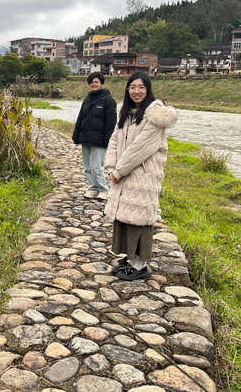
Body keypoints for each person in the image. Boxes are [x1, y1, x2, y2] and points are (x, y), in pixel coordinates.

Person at [104, 72, 177, 281]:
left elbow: (139, 149)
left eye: (141, 87)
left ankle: (140, 265)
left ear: (148, 89)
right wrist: (110, 166)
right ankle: (130, 258)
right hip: (124, 173)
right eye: (133, 87)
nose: (137, 91)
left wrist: (118, 171)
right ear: (128, 90)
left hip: (142, 175)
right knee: (126, 217)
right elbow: (114, 139)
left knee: (139, 219)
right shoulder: (125, 112)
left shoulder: (155, 116)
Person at [72, 72, 117, 200]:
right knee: (87, 166)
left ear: (101, 83)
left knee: (97, 166)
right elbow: (81, 118)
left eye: (96, 82)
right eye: (91, 82)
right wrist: (77, 135)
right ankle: (92, 188)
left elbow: (111, 123)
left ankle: (103, 189)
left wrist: (108, 140)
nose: (94, 84)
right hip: (85, 137)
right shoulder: (87, 99)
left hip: (99, 139)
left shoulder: (108, 100)